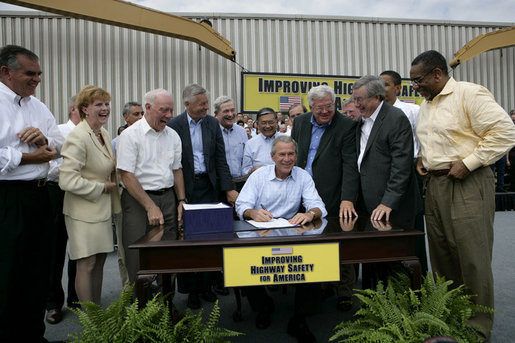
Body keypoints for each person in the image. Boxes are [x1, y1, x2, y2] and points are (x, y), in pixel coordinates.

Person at [410, 50, 515, 341]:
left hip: (468, 182)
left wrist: (468, 163)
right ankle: (450, 322)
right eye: (412, 82)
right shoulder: (427, 104)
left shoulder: (470, 94)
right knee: (442, 258)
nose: (415, 86)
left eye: (418, 80)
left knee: (472, 258)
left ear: (438, 74)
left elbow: (505, 132)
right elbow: (439, 139)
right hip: (436, 185)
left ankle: (476, 330)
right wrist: (423, 157)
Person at [0, 44, 64, 341]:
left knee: (38, 271)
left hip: (40, 197)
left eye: (39, 74)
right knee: (10, 273)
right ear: (6, 72)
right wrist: (28, 157)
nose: (37, 79)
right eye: (30, 73)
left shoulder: (38, 107)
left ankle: (33, 334)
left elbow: (60, 144)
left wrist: (45, 139)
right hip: (9, 199)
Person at [236, 135, 327, 342]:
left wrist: (310, 214)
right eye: (282, 154)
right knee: (244, 264)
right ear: (272, 156)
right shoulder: (259, 176)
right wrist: (252, 213)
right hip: (261, 233)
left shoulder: (303, 175)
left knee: (314, 260)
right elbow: (241, 205)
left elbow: (319, 206)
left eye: (291, 154)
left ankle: (300, 318)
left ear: (296, 155)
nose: (287, 159)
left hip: (292, 233)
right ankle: (263, 307)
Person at [168, 83, 237, 309]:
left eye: (207, 103)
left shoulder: (212, 124)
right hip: (186, 189)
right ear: (187, 104)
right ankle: (191, 291)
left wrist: (228, 189)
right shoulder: (174, 125)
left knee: (211, 238)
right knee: (188, 241)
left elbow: (220, 159)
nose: (206, 107)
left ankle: (207, 285)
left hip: (210, 187)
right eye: (202, 104)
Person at [291, 84, 359, 312]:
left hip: (333, 194)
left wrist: (347, 198)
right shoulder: (300, 122)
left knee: (341, 244)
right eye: (319, 108)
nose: (324, 112)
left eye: (329, 107)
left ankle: (344, 292)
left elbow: (350, 164)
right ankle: (317, 287)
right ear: (311, 107)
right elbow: (293, 156)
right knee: (310, 244)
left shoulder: (347, 125)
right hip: (303, 195)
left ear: (335, 104)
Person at [353, 75, 422, 287]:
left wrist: (387, 202)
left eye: (360, 100)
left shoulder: (395, 118)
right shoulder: (360, 122)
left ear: (376, 97)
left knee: (397, 265)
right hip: (369, 206)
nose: (356, 104)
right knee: (375, 262)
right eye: (354, 99)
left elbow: (401, 167)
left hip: (394, 208)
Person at [59, 85, 121, 306]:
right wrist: (100, 188)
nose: (105, 109)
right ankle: (90, 321)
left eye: (106, 104)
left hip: (102, 211)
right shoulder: (78, 136)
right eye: (99, 105)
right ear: (84, 109)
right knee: (87, 264)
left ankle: (97, 314)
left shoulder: (102, 133)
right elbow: (66, 180)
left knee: (100, 262)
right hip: (82, 213)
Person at [117, 88, 186, 286]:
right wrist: (149, 206)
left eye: (171, 110)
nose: (169, 115)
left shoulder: (172, 136)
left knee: (170, 254)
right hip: (137, 200)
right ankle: (140, 311)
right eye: (164, 110)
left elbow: (177, 170)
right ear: (148, 108)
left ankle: (167, 305)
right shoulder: (130, 136)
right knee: (137, 256)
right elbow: (126, 175)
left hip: (169, 200)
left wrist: (182, 201)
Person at [380, 69, 427, 273]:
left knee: (410, 225)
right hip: (383, 175)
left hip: (411, 169)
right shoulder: (376, 112)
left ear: (398, 88)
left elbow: (423, 139)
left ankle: (417, 276)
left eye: (387, 84)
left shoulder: (411, 110)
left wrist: (422, 159)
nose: (382, 88)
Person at [45, 96, 80, 325]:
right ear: (74, 109)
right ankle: (53, 304)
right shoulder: (59, 132)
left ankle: (76, 300)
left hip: (80, 195)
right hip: (57, 193)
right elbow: (51, 167)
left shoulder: (94, 134)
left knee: (79, 250)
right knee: (55, 250)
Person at [380, 70, 420, 158]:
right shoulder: (373, 114)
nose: (381, 88)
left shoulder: (413, 110)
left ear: (398, 88)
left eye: (385, 85)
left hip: (409, 163)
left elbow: (421, 139)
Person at [213, 95, 248, 191]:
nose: (230, 114)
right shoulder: (211, 132)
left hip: (241, 183)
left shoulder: (242, 131)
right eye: (226, 111)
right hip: (219, 185)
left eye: (232, 110)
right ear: (216, 113)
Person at [242, 107, 284, 174]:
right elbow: (245, 170)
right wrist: (254, 170)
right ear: (257, 124)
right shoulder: (250, 144)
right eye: (264, 123)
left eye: (271, 122)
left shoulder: (287, 139)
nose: (267, 126)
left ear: (276, 123)